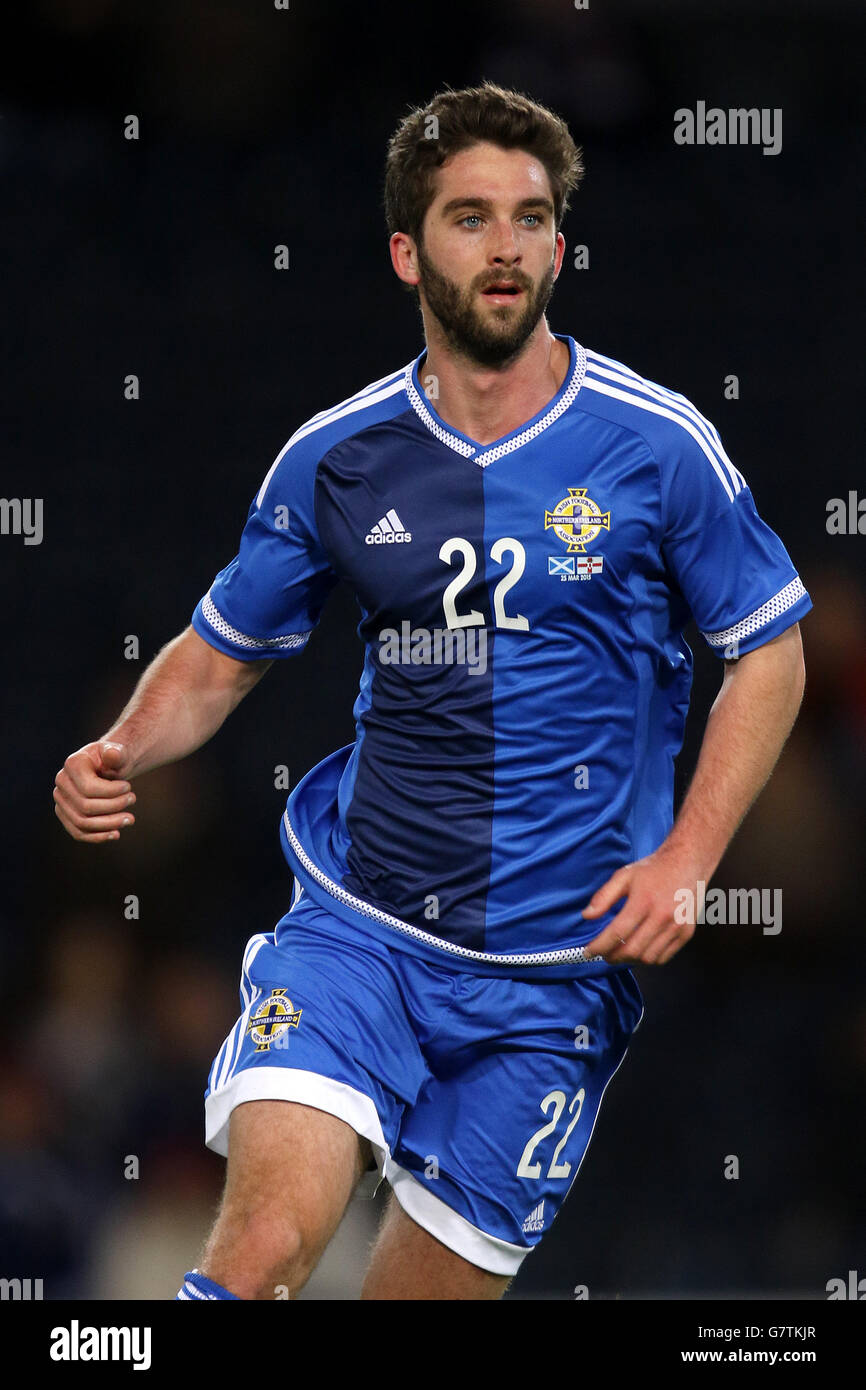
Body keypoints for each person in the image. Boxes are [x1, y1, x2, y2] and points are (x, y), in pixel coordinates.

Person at [54, 82, 810, 1301]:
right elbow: (222, 648)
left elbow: (767, 652)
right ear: (408, 252)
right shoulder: (336, 457)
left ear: (559, 245)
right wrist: (123, 746)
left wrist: (689, 858)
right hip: (362, 930)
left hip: (554, 976)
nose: (505, 245)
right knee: (256, 1254)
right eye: (469, 217)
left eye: (528, 217)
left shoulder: (658, 446)